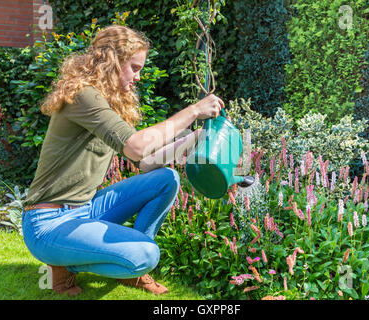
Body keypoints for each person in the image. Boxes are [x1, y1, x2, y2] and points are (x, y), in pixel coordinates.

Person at [21, 25, 225, 296]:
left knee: (166, 179)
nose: (138, 77)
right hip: (49, 222)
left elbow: (146, 163)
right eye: (135, 67)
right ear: (112, 62)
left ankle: (126, 269)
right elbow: (136, 147)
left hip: (85, 209)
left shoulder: (105, 102)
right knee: (147, 254)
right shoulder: (83, 96)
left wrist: (193, 137)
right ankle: (69, 263)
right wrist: (194, 111)